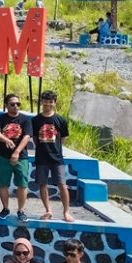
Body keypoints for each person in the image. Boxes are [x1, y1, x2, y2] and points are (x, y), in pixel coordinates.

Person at [32, 91, 73, 222]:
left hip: (57, 158)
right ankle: (48, 210)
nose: (47, 104)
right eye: (45, 101)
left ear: (54, 103)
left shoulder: (61, 120)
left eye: (50, 101)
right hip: (41, 158)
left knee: (62, 184)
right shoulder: (35, 120)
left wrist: (55, 149)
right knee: (42, 184)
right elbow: (35, 138)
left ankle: (66, 212)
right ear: (42, 102)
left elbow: (63, 138)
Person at [0, 94, 33, 222]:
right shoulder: (0, 119)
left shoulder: (25, 119)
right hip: (3, 156)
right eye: (12, 104)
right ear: (6, 105)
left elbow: (27, 137)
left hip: (21, 157)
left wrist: (16, 152)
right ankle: (5, 208)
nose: (15, 106)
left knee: (22, 184)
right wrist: (6, 139)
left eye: (18, 104)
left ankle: (21, 210)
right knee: (2, 184)